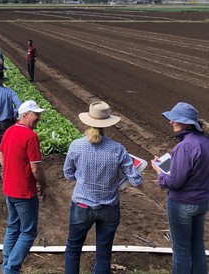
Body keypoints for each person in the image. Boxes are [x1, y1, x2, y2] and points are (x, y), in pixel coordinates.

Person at [63, 101, 144, 274]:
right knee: (104, 251)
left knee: (73, 248)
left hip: (81, 206)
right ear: (108, 124)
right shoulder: (118, 149)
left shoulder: (76, 146)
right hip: (109, 207)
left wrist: (82, 176)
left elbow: (68, 174)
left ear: (87, 121)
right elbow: (136, 179)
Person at [151, 102, 209, 274]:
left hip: (182, 203)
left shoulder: (184, 146)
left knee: (181, 249)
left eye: (174, 119)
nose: (171, 122)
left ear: (186, 122)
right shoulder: (205, 142)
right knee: (197, 246)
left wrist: (159, 172)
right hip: (202, 202)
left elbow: (175, 181)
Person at [0, 100, 49, 274]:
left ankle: (6, 264)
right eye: (36, 114)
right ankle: (11, 268)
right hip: (24, 191)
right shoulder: (31, 137)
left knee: (13, 227)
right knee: (28, 232)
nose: (39, 118)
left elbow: (0, 156)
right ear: (25, 115)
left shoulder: (9, 131)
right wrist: (45, 186)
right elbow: (36, 168)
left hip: (9, 189)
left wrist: (11, 171)